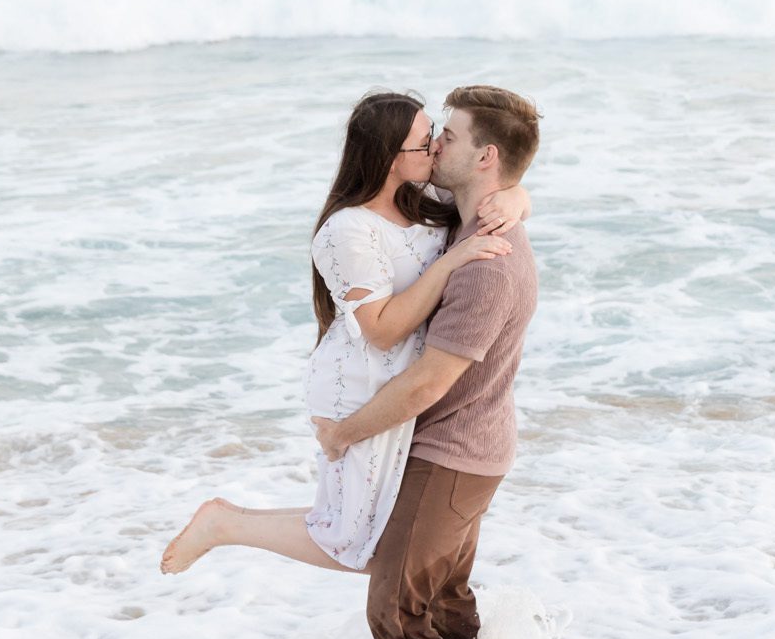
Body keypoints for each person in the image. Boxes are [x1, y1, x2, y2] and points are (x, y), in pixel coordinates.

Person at [161, 91, 529, 581]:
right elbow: (381, 331)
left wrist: (515, 196)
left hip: (394, 386)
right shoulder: (347, 231)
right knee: (363, 545)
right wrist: (452, 263)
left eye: (439, 137)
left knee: (368, 536)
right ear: (390, 158)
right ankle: (225, 525)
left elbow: (492, 186)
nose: (437, 149)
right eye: (426, 143)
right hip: (357, 387)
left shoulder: (424, 202)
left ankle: (227, 522)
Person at [313, 86, 541, 639]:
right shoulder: (469, 224)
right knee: (442, 600)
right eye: (430, 135)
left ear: (486, 156)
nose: (435, 145)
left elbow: (424, 384)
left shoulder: (485, 262)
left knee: (395, 606)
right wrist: (519, 197)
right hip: (470, 445)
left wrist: (345, 432)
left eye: (449, 135)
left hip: (454, 450)